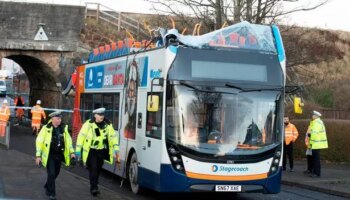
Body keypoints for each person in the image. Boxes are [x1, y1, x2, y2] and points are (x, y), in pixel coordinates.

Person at [75, 107, 119, 196]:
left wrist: (116, 149)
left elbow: (113, 137)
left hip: (101, 151)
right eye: (99, 115)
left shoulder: (108, 124)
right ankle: (94, 188)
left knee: (98, 169)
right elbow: (81, 137)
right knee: (94, 169)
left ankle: (95, 184)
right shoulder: (89, 124)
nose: (101, 116)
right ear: (95, 115)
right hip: (91, 151)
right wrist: (78, 151)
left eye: (102, 115)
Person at [35, 111, 75, 200]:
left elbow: (68, 141)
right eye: (58, 119)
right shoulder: (46, 128)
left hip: (59, 155)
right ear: (52, 119)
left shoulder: (63, 129)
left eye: (60, 118)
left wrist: (72, 152)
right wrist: (38, 156)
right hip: (50, 156)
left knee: (56, 173)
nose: (59, 120)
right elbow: (39, 142)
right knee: (52, 174)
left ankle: (48, 185)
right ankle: (52, 193)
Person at [308, 110, 328, 178]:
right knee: (316, 159)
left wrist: (310, 136)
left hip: (316, 143)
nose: (312, 116)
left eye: (313, 115)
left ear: (316, 116)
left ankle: (316, 173)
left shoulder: (316, 123)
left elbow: (314, 133)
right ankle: (315, 172)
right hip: (317, 143)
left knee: (316, 159)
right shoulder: (319, 122)